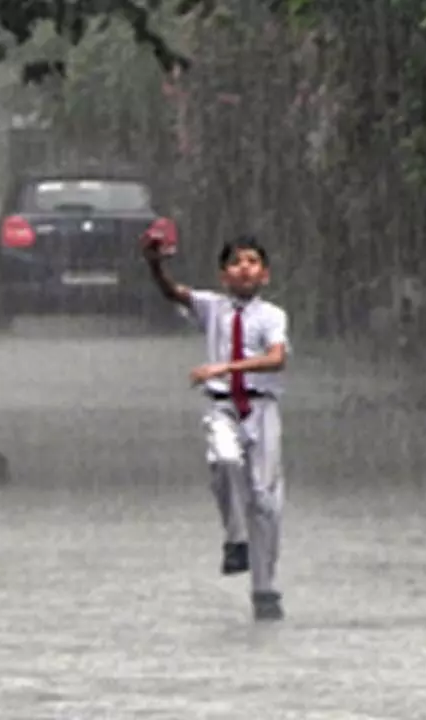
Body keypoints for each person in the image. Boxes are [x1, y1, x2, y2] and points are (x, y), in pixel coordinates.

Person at [142, 232, 290, 622]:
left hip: (261, 408)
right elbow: (173, 292)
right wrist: (155, 263)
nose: (245, 268)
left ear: (266, 274)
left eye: (253, 262)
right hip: (222, 407)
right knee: (224, 460)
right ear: (223, 275)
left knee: (265, 501)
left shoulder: (272, 316)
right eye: (237, 262)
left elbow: (276, 359)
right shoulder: (212, 308)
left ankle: (264, 588)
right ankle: (235, 539)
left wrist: (225, 367)